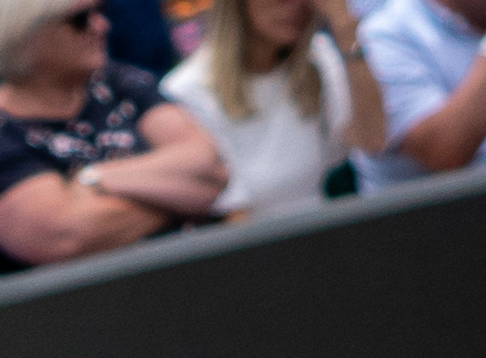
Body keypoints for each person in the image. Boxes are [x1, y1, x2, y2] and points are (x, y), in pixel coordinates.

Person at [0, 0, 228, 262]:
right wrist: (183, 195)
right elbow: (66, 238)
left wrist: (93, 178)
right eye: (80, 20)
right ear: (26, 34)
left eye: (100, 12)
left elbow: (212, 169)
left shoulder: (120, 82)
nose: (102, 26)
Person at [161, 0, 392, 215]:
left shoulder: (320, 58)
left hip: (329, 232)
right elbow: (228, 214)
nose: (297, 7)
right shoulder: (186, 91)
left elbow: (373, 141)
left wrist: (347, 30)